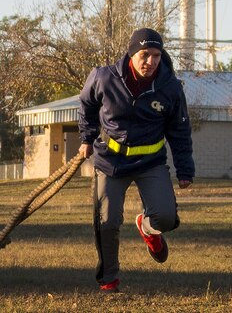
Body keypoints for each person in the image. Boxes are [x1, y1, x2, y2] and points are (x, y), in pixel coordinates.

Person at [78, 28, 194, 292]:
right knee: (107, 223)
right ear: (131, 54)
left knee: (165, 218)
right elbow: (86, 104)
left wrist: (185, 169)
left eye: (156, 55)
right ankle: (109, 279)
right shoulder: (103, 77)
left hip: (150, 162)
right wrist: (87, 138)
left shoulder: (171, 88)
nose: (151, 62)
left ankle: (148, 228)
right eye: (145, 55)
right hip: (110, 162)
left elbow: (180, 131)